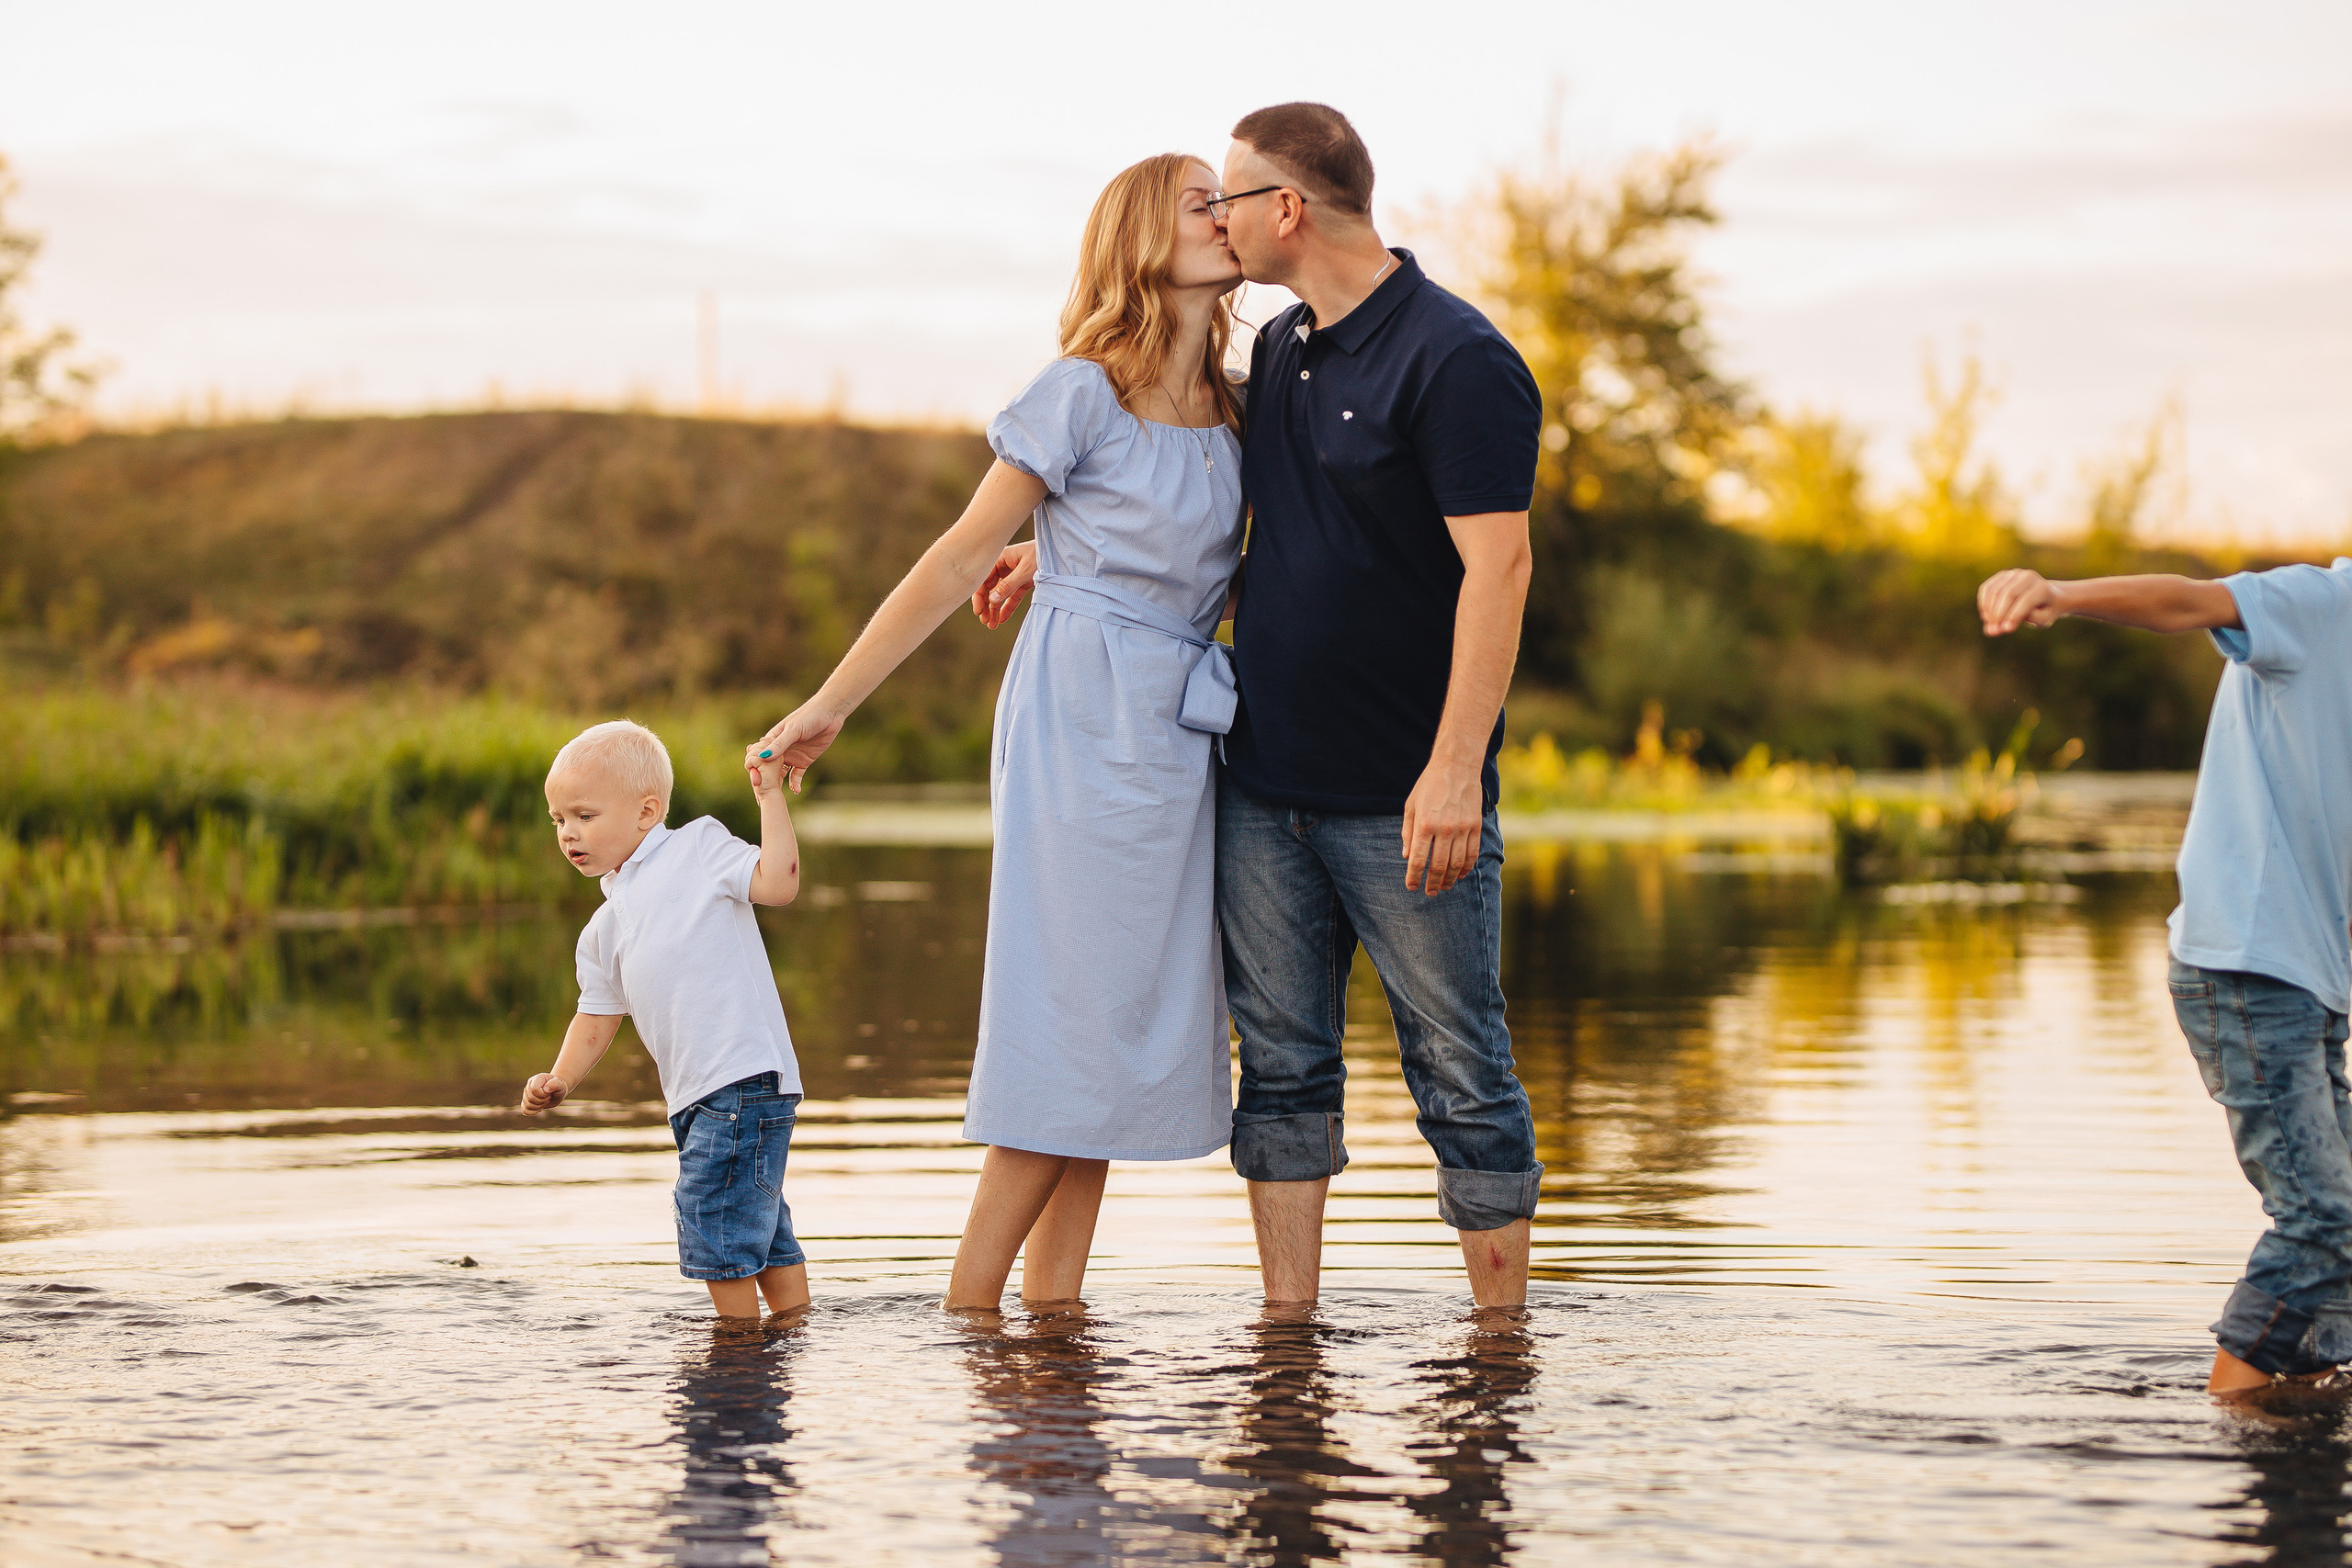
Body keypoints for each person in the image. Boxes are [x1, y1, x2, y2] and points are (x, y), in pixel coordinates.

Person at [747, 152, 1248, 1312]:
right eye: (1200, 202)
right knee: (1073, 1013)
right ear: (1137, 237)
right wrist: (831, 703)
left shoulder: (1236, 402)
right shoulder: (1077, 389)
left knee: (1119, 1023)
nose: (1226, 217)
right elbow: (959, 555)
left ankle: (1053, 1313)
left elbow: (1202, 560)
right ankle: (969, 1315)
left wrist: (1065, 551)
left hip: (1178, 729)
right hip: (1079, 717)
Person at [1213, 102, 1546, 1308]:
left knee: (1462, 1069)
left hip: (1408, 795)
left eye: (1229, 196)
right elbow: (1248, 526)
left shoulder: (1456, 358)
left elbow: (1498, 570)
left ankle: (1500, 1352)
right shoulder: (1282, 349)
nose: (1217, 216)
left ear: (1287, 209)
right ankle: (1287, 1338)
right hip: (1264, 785)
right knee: (1284, 1071)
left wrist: (1455, 768)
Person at [1978, 558, 2352, 1395]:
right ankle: (2232, 1420)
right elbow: (2188, 601)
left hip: (2307, 978)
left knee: (2343, 1222)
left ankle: (2298, 1411)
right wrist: (2061, 595)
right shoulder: (2325, 603)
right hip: (2250, 965)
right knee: (2323, 1220)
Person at [519, 719, 808, 1321]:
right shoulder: (606, 925)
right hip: (699, 1098)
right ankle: (793, 1331)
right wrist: (561, 1078)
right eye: (558, 820)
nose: (568, 832)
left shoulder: (696, 849)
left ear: (647, 811)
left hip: (741, 1078)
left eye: (584, 815)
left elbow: (777, 884)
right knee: (758, 1223)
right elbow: (597, 1015)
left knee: (710, 1215)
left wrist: (770, 796)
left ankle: (735, 1355)